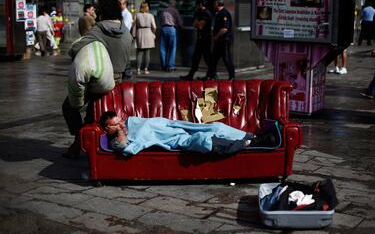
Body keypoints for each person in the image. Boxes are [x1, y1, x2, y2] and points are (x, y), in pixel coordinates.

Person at [99, 111, 279, 156]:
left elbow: (154, 123)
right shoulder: (118, 140)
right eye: (116, 124)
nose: (122, 124)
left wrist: (123, 125)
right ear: (108, 129)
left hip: (179, 127)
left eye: (121, 120)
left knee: (216, 127)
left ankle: (252, 137)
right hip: (176, 140)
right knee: (203, 140)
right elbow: (124, 148)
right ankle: (249, 145)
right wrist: (121, 133)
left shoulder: (132, 121)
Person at [62, 41, 116, 159]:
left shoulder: (78, 66)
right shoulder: (94, 43)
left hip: (97, 83)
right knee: (91, 115)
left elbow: (75, 91)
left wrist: (77, 104)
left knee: (68, 108)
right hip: (108, 80)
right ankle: (80, 141)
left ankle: (79, 140)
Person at [70, 0, 133, 84]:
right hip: (119, 76)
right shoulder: (126, 32)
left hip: (100, 77)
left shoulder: (98, 29)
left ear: (102, 11)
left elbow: (77, 47)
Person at [201, 0, 235, 80]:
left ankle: (232, 76)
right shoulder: (218, 13)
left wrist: (216, 36)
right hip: (218, 41)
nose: (213, 5)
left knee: (226, 58)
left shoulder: (224, 13)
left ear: (217, 4)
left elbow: (224, 28)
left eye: (214, 3)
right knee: (213, 59)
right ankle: (211, 75)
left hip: (224, 40)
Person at [180, 0, 213, 81]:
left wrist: (197, 23)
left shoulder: (206, 13)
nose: (196, 6)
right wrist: (197, 23)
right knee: (196, 57)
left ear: (201, 4)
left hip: (205, 38)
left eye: (197, 4)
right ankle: (190, 75)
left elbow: (200, 25)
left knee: (207, 58)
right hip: (200, 38)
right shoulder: (199, 12)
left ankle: (212, 74)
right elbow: (195, 24)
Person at [132, 2, 156, 75]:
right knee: (147, 52)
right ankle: (146, 69)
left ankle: (138, 69)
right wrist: (153, 34)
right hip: (148, 32)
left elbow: (134, 25)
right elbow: (154, 27)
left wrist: (133, 35)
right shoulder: (151, 15)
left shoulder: (137, 15)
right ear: (147, 7)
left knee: (140, 52)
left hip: (140, 32)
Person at [159, 0, 183, 72]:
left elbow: (160, 20)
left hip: (163, 28)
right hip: (172, 29)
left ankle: (163, 65)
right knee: (172, 48)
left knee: (163, 48)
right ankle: (170, 65)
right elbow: (179, 22)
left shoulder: (163, 11)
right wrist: (182, 25)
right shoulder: (175, 11)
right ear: (173, 4)